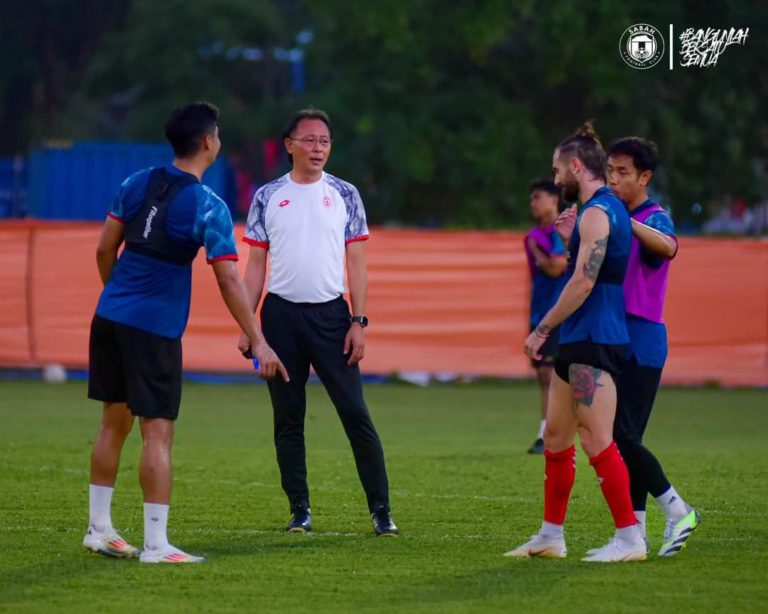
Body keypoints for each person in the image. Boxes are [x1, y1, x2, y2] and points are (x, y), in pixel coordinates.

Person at [84, 102, 287, 564]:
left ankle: (99, 529)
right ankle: (156, 545)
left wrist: (116, 296)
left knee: (112, 424)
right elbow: (228, 278)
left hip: (109, 318)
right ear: (208, 143)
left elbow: (104, 248)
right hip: (153, 330)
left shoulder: (135, 182)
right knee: (158, 433)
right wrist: (258, 338)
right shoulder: (208, 206)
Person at [238, 108, 398, 536]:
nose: (317, 148)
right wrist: (248, 328)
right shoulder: (267, 195)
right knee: (288, 419)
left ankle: (381, 512)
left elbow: (358, 262)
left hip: (332, 317)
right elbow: (255, 266)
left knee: (355, 413)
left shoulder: (345, 194)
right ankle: (300, 511)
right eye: (308, 140)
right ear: (288, 144)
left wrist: (358, 320)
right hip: (279, 317)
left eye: (324, 141)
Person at [506, 122, 646, 562]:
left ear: (575, 166)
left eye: (556, 171)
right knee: (558, 438)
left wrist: (542, 327)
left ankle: (629, 539)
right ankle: (550, 536)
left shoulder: (599, 211)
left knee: (597, 440)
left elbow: (584, 283)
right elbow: (586, 268)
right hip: (580, 337)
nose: (554, 180)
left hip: (595, 338)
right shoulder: (592, 213)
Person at [606, 136, 700, 556]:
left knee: (619, 435)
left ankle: (678, 509)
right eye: (610, 170)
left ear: (645, 177)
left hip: (641, 338)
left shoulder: (653, 216)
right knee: (627, 439)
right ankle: (636, 534)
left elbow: (669, 248)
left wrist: (627, 224)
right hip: (616, 335)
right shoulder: (612, 215)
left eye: (623, 172)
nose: (614, 179)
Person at [523, 180, 568, 454]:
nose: (533, 203)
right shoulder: (535, 234)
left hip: (559, 311)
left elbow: (556, 267)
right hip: (539, 312)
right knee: (544, 374)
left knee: (552, 373)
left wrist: (537, 251)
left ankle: (549, 433)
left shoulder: (560, 232)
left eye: (537, 197)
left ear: (553, 199)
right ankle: (548, 429)